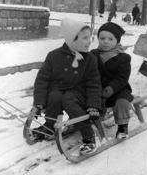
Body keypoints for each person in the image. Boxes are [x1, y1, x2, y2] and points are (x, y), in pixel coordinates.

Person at [32, 17, 105, 155]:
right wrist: (39, 102)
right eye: (84, 38)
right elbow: (42, 80)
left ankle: (88, 134)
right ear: (72, 40)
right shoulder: (54, 56)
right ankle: (50, 125)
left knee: (68, 99)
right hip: (58, 89)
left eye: (90, 37)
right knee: (54, 96)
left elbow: (94, 84)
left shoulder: (90, 59)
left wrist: (93, 105)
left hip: (79, 93)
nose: (90, 41)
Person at [91, 22, 133, 139]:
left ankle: (122, 126)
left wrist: (111, 88)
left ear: (117, 40)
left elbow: (122, 77)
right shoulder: (93, 54)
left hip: (118, 89)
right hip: (98, 89)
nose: (105, 41)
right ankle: (84, 121)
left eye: (110, 39)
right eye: (102, 38)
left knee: (122, 102)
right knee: (87, 100)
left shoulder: (123, 57)